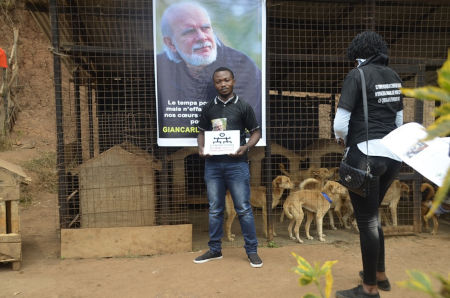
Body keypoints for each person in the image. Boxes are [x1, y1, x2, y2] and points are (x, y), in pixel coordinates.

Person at [333, 31, 404, 298]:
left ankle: (369, 288)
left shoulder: (357, 75)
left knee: (367, 220)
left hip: (364, 155)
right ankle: (381, 275)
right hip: (391, 157)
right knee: (374, 216)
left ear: (358, 54)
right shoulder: (394, 77)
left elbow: (340, 123)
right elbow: (398, 121)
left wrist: (342, 141)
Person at [157, 1, 262, 139]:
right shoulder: (159, 67)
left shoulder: (242, 65)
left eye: (206, 28)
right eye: (189, 31)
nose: (202, 37)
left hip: (231, 148)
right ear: (170, 43)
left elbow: (249, 122)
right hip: (176, 150)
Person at [194, 66, 262, 268]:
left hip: (237, 166)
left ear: (233, 81)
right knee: (215, 209)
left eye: (226, 80)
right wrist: (201, 147)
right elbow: (201, 133)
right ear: (214, 84)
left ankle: (252, 251)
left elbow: (256, 132)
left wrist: (246, 146)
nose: (222, 84)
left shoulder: (243, 106)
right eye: (218, 81)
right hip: (213, 166)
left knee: (243, 208)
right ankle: (215, 250)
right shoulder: (208, 108)